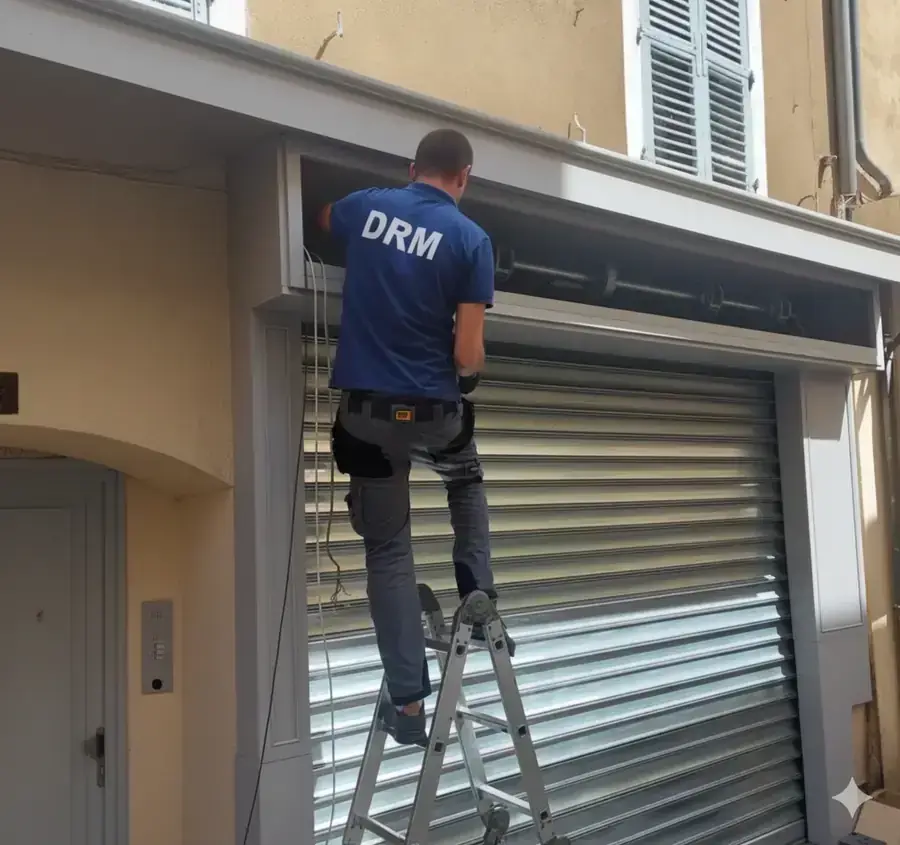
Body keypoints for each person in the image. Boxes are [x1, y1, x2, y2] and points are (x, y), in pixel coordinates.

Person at [319, 128, 515, 746]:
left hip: (369, 418)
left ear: (412, 169)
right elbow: (466, 352)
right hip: (433, 411)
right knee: (464, 475)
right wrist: (470, 372)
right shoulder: (470, 239)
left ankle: (407, 705)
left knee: (387, 551)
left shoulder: (368, 206)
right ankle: (477, 595)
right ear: (464, 178)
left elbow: (325, 217)